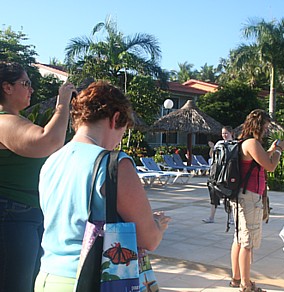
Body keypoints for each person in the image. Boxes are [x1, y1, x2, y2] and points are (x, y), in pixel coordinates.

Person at [34, 80, 171, 291]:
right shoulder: (114, 164)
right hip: (90, 280)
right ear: (116, 118)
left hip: (47, 277)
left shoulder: (52, 160)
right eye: (122, 132)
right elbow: (149, 239)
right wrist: (157, 225)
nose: (118, 141)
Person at [0, 61, 75, 292]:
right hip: (12, 215)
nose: (31, 89)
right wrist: (62, 103)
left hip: (25, 213)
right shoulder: (3, 121)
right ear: (7, 87)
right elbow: (47, 142)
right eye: (26, 83)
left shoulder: (15, 120)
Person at [229, 109, 284, 292]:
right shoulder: (252, 143)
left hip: (243, 196)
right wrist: (278, 150)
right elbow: (270, 166)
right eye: (266, 126)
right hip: (249, 197)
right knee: (247, 242)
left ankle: (237, 278)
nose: (267, 130)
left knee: (239, 239)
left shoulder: (245, 142)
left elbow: (260, 161)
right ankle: (246, 285)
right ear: (259, 125)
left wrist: (270, 150)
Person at [203, 126, 234, 223]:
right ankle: (211, 217)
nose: (224, 135)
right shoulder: (219, 143)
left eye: (226, 133)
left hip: (228, 174)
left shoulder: (235, 144)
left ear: (231, 133)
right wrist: (212, 148)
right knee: (213, 195)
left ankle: (231, 218)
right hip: (216, 173)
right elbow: (212, 156)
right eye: (223, 133)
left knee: (229, 197)